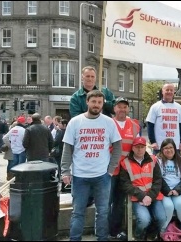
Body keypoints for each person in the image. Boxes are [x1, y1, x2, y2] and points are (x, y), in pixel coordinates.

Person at [61, 90, 122, 241]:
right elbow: (67, 148)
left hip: (102, 176)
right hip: (80, 176)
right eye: (94, 102)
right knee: (77, 212)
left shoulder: (109, 122)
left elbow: (117, 147)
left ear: (103, 104)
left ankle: (102, 238)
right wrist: (65, 171)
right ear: (87, 102)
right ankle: (75, 239)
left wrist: (110, 169)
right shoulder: (75, 122)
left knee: (102, 212)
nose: (96, 105)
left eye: (100, 102)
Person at [119, 137, 166, 240]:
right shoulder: (125, 163)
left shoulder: (153, 160)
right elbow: (125, 184)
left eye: (142, 147)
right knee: (144, 220)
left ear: (145, 148)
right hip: (137, 197)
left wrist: (150, 196)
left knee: (162, 219)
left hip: (153, 196)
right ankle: (139, 235)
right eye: (137, 147)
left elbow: (158, 180)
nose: (140, 149)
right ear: (133, 148)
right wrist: (142, 196)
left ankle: (150, 234)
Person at [109, 96, 140, 240]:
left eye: (125, 106)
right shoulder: (108, 123)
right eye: (119, 106)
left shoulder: (134, 125)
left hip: (125, 170)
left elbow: (137, 146)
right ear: (114, 108)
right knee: (105, 202)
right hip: (108, 169)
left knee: (119, 203)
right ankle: (103, 231)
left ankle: (115, 231)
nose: (122, 109)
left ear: (128, 108)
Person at [157, 138, 181, 237]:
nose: (169, 150)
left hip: (177, 190)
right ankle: (162, 232)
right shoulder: (158, 161)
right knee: (168, 207)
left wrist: (177, 190)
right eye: (166, 148)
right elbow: (158, 178)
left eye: (171, 147)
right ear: (162, 150)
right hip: (164, 191)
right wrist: (167, 190)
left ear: (175, 149)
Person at [146, 83, 181, 155]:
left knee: (175, 165)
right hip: (159, 145)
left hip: (175, 145)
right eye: (167, 90)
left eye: (171, 90)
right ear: (162, 91)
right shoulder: (155, 106)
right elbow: (150, 124)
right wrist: (153, 141)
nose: (169, 92)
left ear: (174, 92)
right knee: (158, 165)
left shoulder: (179, 107)